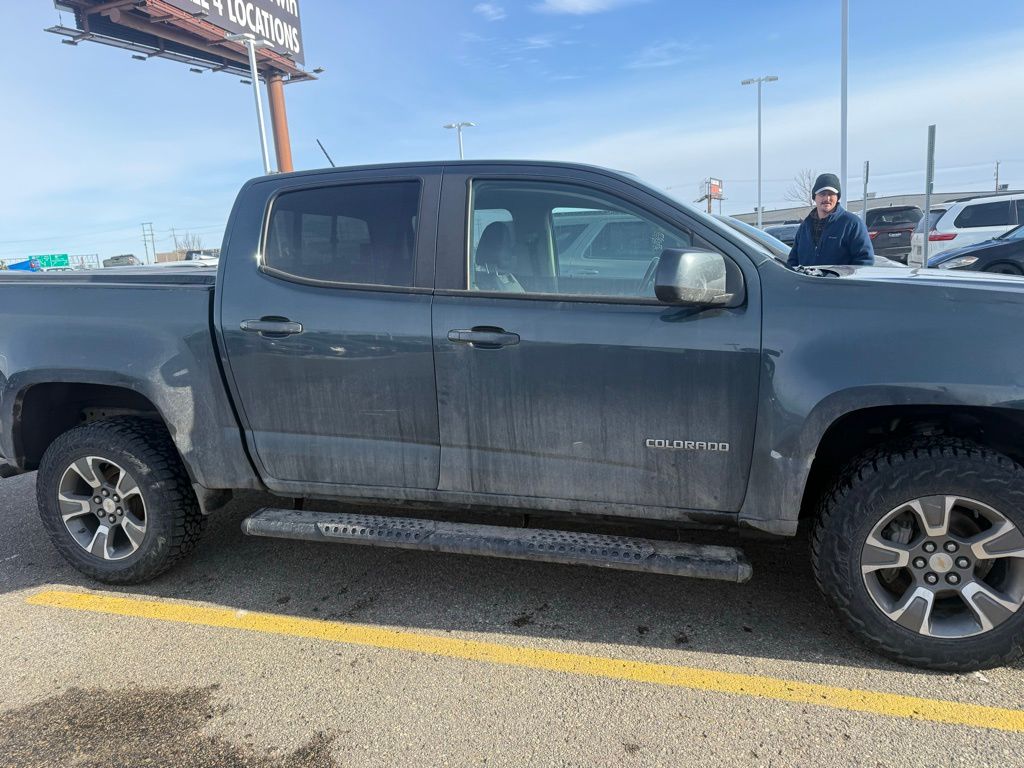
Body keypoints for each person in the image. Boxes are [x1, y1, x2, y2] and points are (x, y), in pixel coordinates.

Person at [787, 173, 874, 267]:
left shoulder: (852, 224)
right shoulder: (805, 226)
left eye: (831, 194)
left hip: (840, 277)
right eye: (822, 194)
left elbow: (865, 260)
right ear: (814, 197)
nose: (827, 198)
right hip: (806, 277)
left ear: (837, 197)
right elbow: (793, 261)